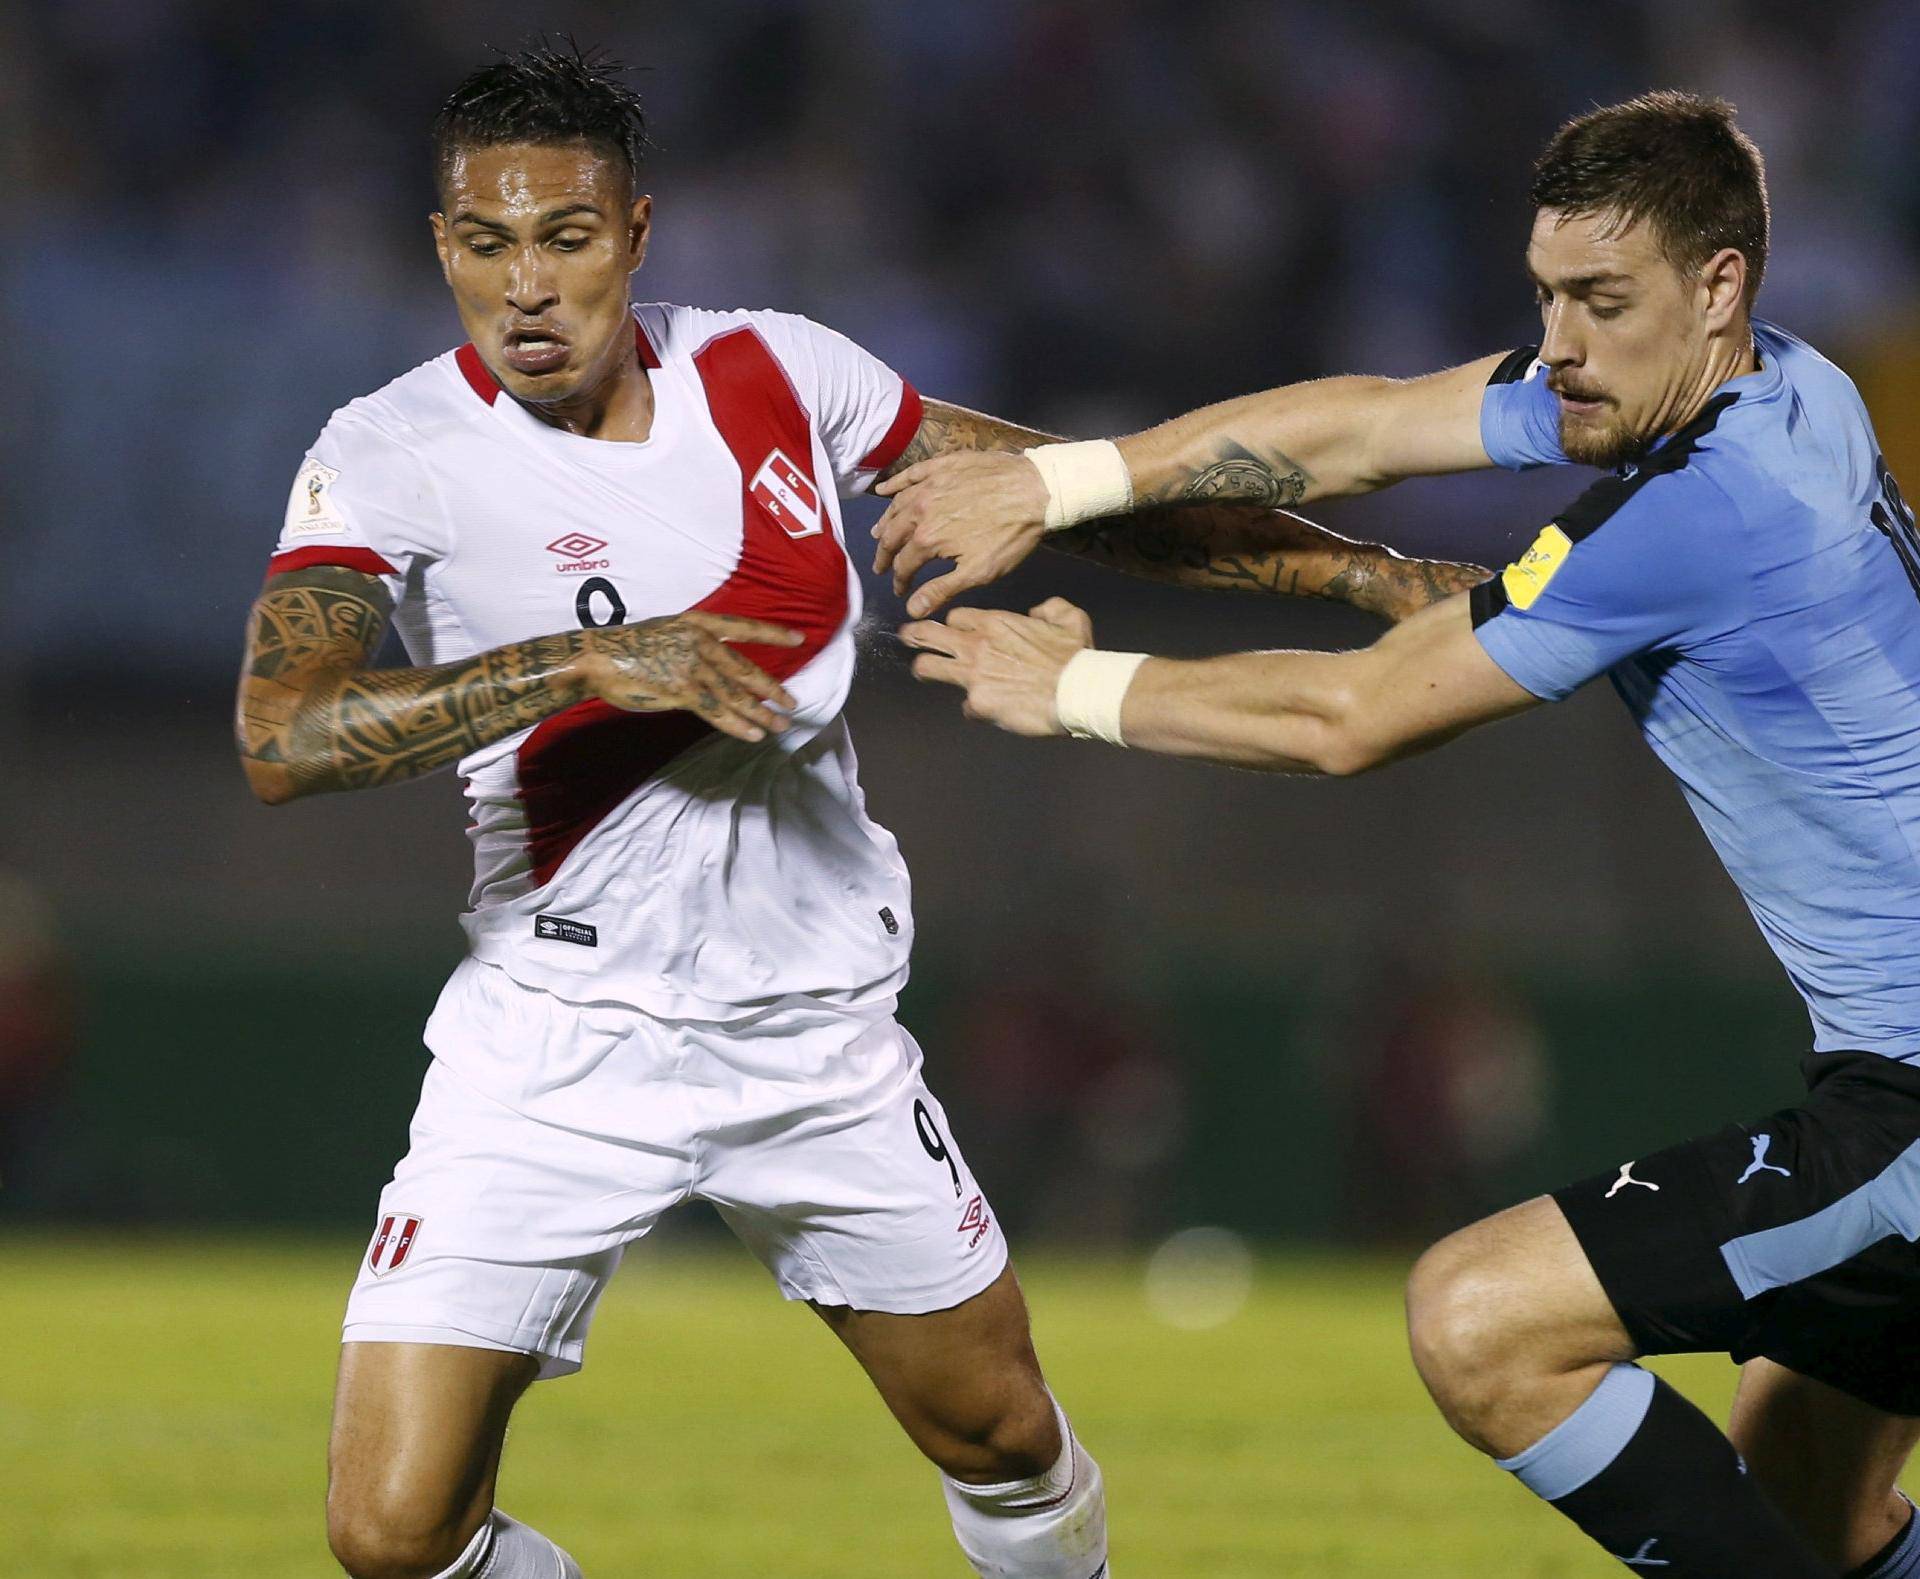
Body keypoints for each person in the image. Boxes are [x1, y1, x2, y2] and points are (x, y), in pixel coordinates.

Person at [878, 91, 1920, 1578]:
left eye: (1601, 302)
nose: (1558, 340)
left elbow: (1349, 722)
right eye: (1546, 292)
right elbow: (1365, 425)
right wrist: (1064, 478)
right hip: (1886, 1074)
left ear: (1720, 289)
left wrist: (1078, 686)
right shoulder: (1798, 390)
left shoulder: (1714, 508)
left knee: (1479, 1322)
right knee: (1811, 1502)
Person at [234, 43, 1147, 1579]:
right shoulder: (388, 451)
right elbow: (283, 734)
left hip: (809, 1030)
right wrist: (585, 660)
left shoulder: (778, 370)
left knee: (1000, 1433)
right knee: (391, 1534)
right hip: (555, 1027)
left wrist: (1379, 577)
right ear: (441, 248)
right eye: (484, 243)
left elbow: (1075, 485)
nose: (526, 284)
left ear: (638, 235)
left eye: (566, 239)